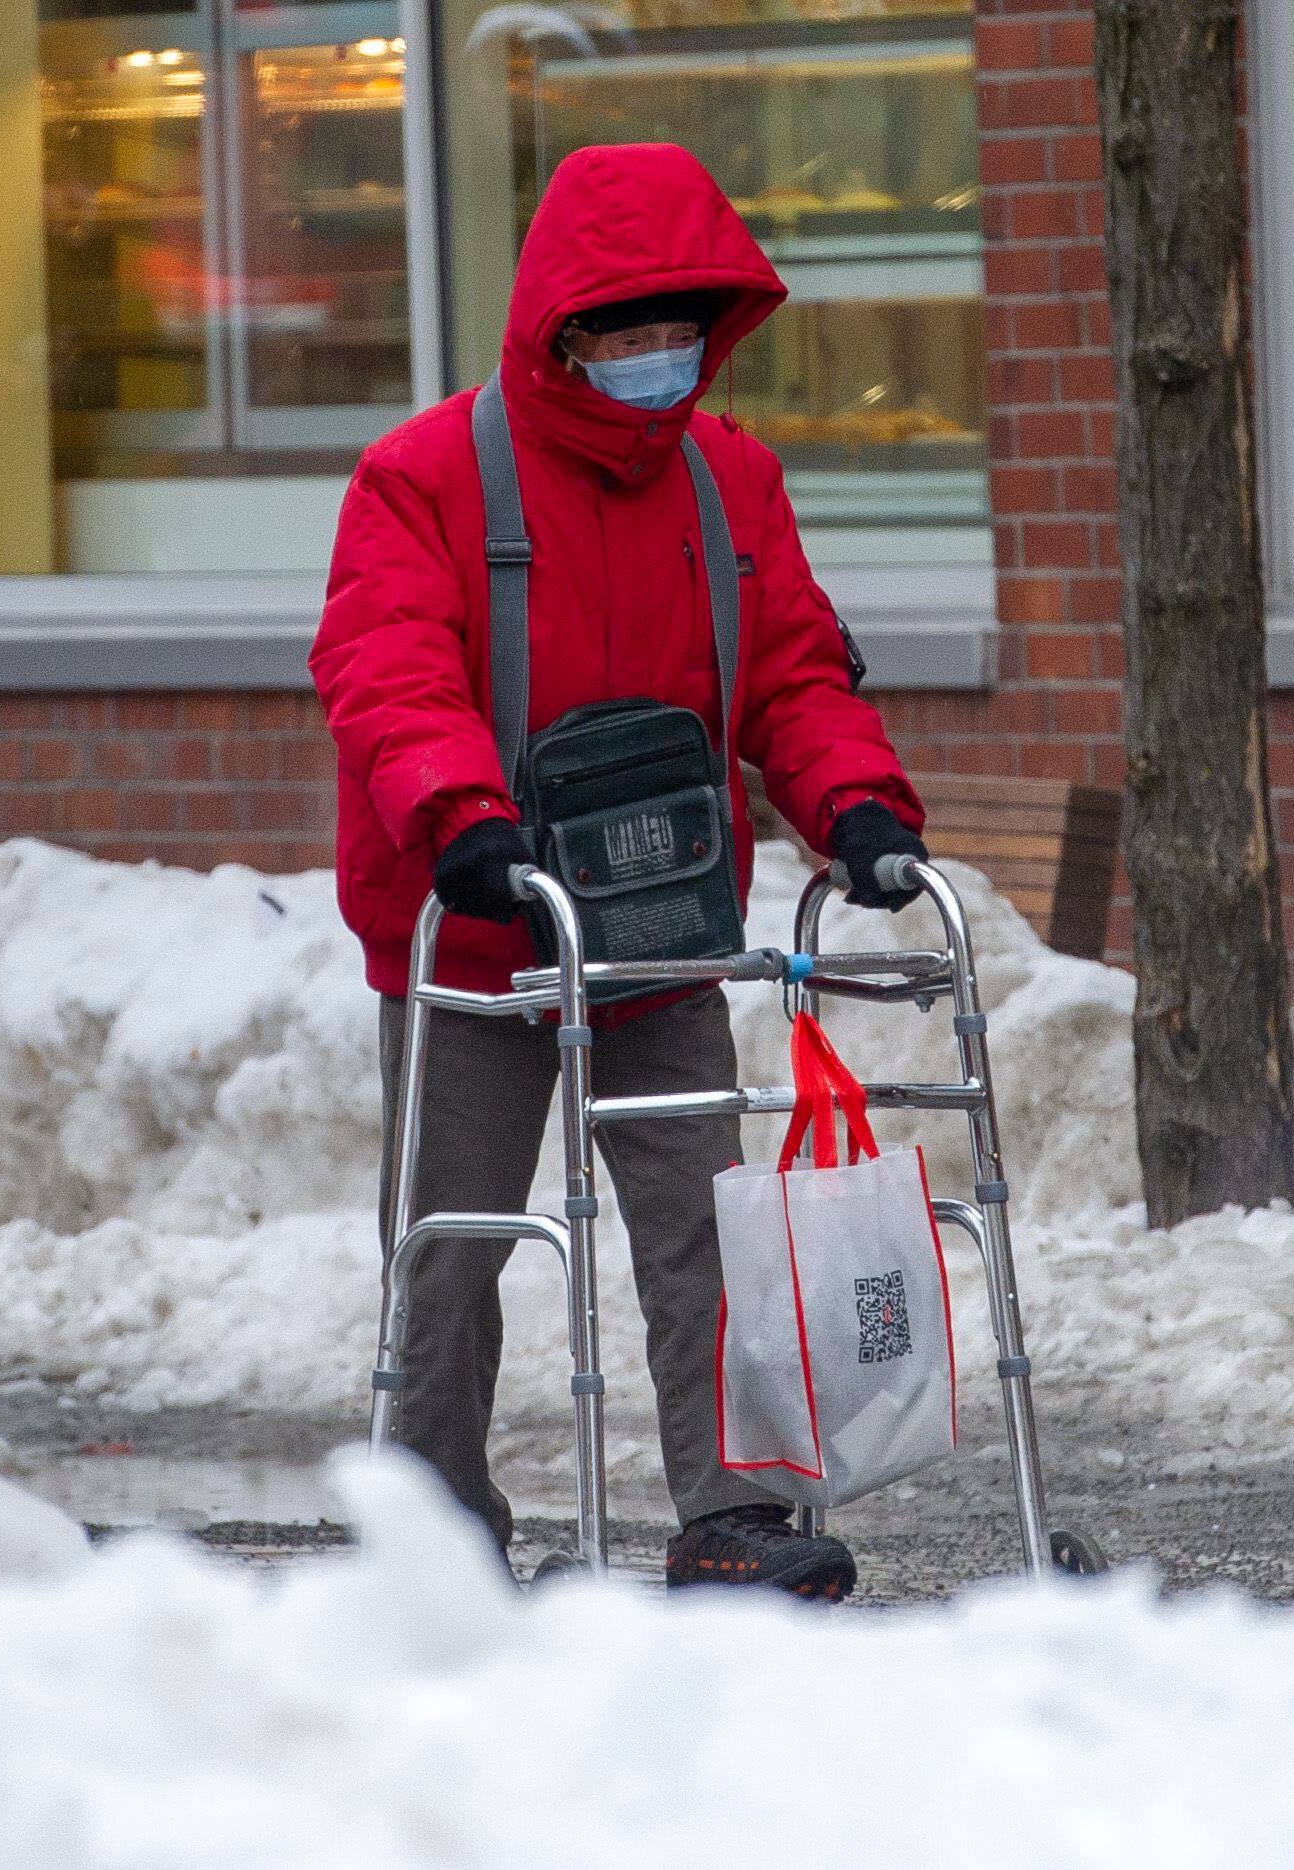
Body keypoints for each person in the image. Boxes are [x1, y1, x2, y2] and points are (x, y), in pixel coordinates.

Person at [309, 142, 928, 1600]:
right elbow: (386, 666)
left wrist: (859, 809)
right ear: (562, 330)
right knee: (450, 1254)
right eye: (629, 329)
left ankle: (738, 1514)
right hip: (480, 927)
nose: (659, 358)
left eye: (682, 331)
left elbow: (790, 676)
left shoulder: (733, 484)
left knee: (705, 1226)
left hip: (657, 920)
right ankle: (435, 1522)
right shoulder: (422, 480)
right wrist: (458, 817)